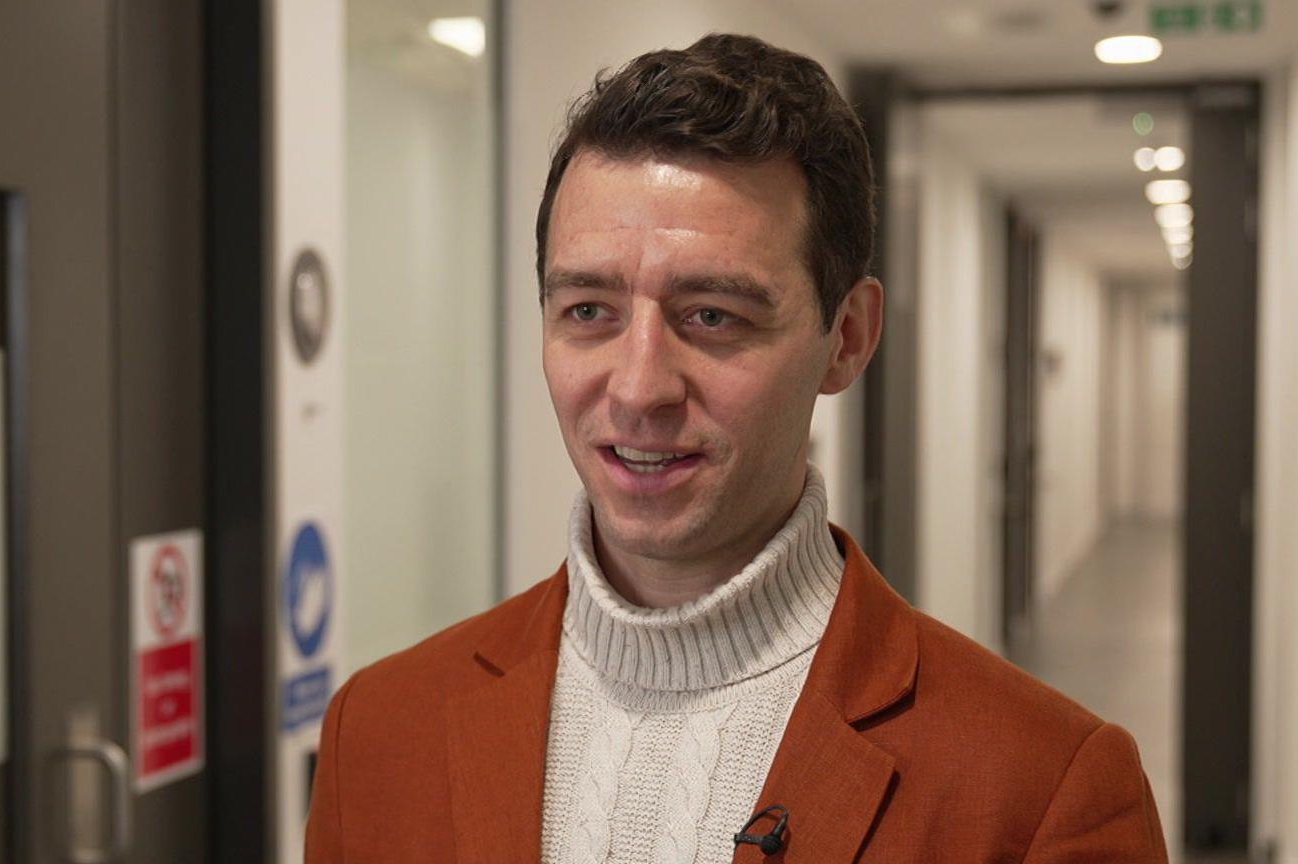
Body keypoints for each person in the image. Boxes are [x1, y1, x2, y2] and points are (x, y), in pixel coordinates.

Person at [306, 33, 1168, 863]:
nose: (639, 388)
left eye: (713, 316)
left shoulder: (1040, 789)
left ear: (848, 339)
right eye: (589, 312)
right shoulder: (380, 734)